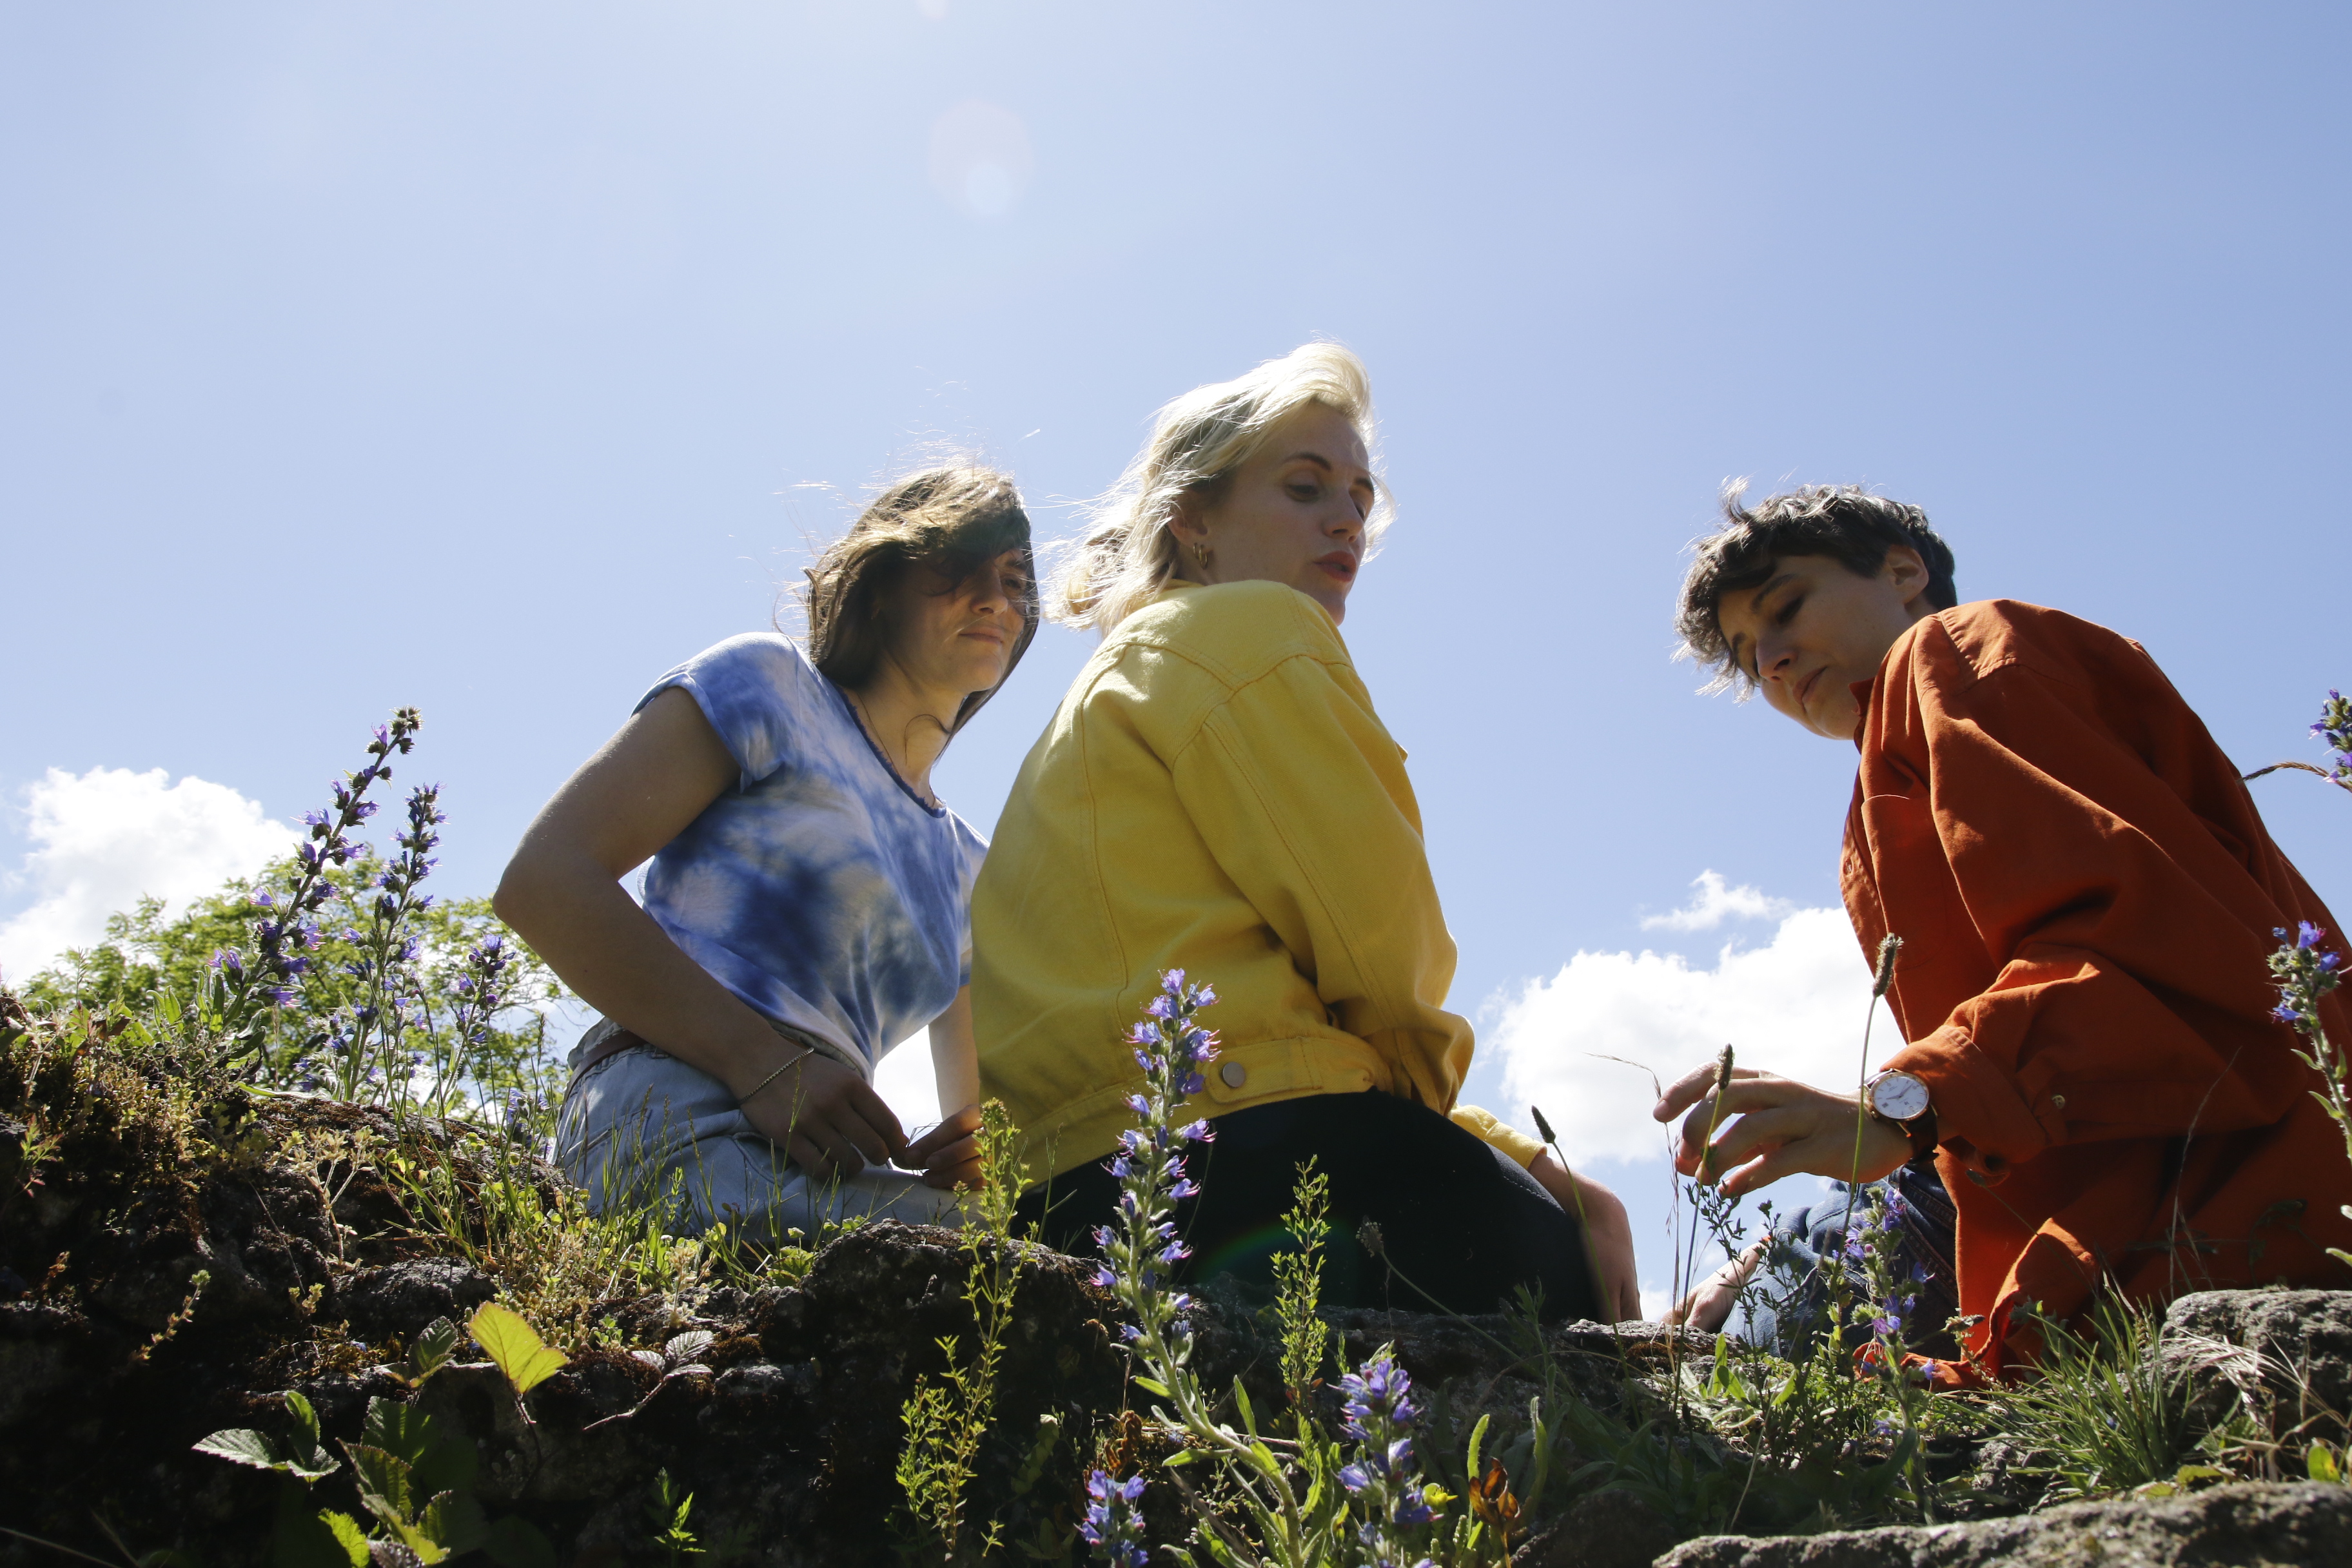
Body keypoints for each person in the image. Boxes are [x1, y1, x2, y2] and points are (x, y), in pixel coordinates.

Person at [972, 344, 1639, 1322]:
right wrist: (1509, 1173)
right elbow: (1380, 952)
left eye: (1363, 498)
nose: (1347, 521)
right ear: (1192, 520)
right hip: (1240, 1167)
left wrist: (1516, 1148)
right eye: (1305, 486)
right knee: (1566, 1289)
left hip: (1069, 1205)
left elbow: (1290, 1017)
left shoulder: (1111, 687)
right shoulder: (1248, 630)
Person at [1655, 482, 2352, 1378]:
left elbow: (2153, 951)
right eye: (1754, 660)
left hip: (2237, 1200)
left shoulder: (1959, 651)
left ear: (1906, 573)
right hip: (2149, 1222)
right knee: (1750, 1331)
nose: (1778, 661)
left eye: (1788, 608)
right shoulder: (1883, 783)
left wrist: (1905, 1107)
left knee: (1735, 1370)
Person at [495, 467, 1038, 1239]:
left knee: (1014, 1259)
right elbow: (545, 881)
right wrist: (768, 1065)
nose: (995, 600)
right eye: (959, 569)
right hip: (670, 1111)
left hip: (820, 1159)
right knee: (1003, 1271)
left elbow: (980, 1131)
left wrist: (959, 1160)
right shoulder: (771, 685)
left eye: (1016, 580)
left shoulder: (973, 868)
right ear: (880, 585)